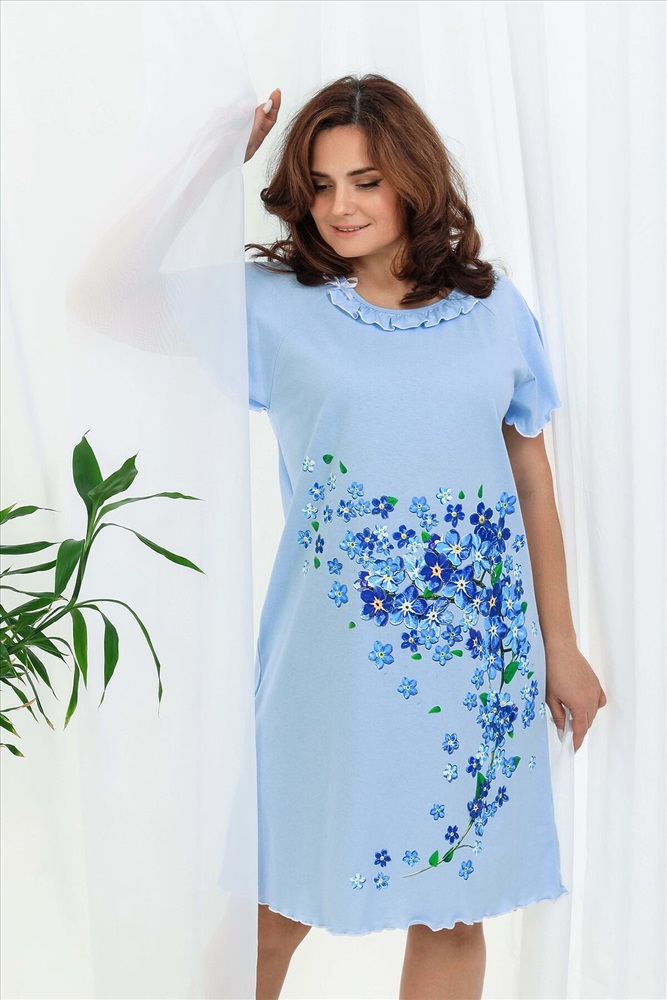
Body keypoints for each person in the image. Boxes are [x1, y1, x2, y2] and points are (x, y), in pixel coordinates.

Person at [69, 73, 607, 1000]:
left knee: (452, 910)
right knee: (274, 913)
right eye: (319, 185)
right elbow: (99, 295)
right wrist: (207, 164)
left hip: (474, 664)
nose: (340, 206)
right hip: (333, 665)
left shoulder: (492, 310)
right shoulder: (273, 305)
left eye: (365, 180)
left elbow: (531, 482)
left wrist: (561, 646)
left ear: (413, 178)